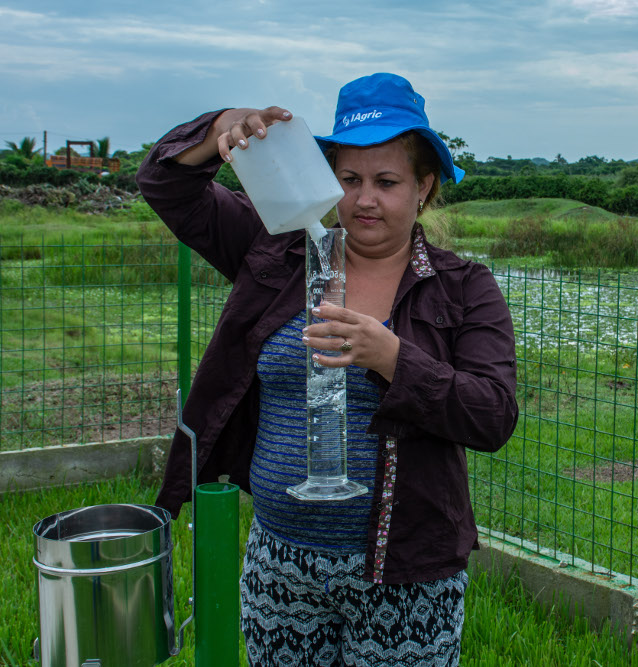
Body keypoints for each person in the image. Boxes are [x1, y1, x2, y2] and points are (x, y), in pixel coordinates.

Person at [137, 72, 518, 666]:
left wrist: (391, 358)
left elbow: (493, 415)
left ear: (424, 187)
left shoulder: (463, 287)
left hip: (407, 573)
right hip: (281, 563)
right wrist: (220, 127)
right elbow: (166, 184)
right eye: (349, 179)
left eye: (387, 182)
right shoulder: (278, 251)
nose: (365, 199)